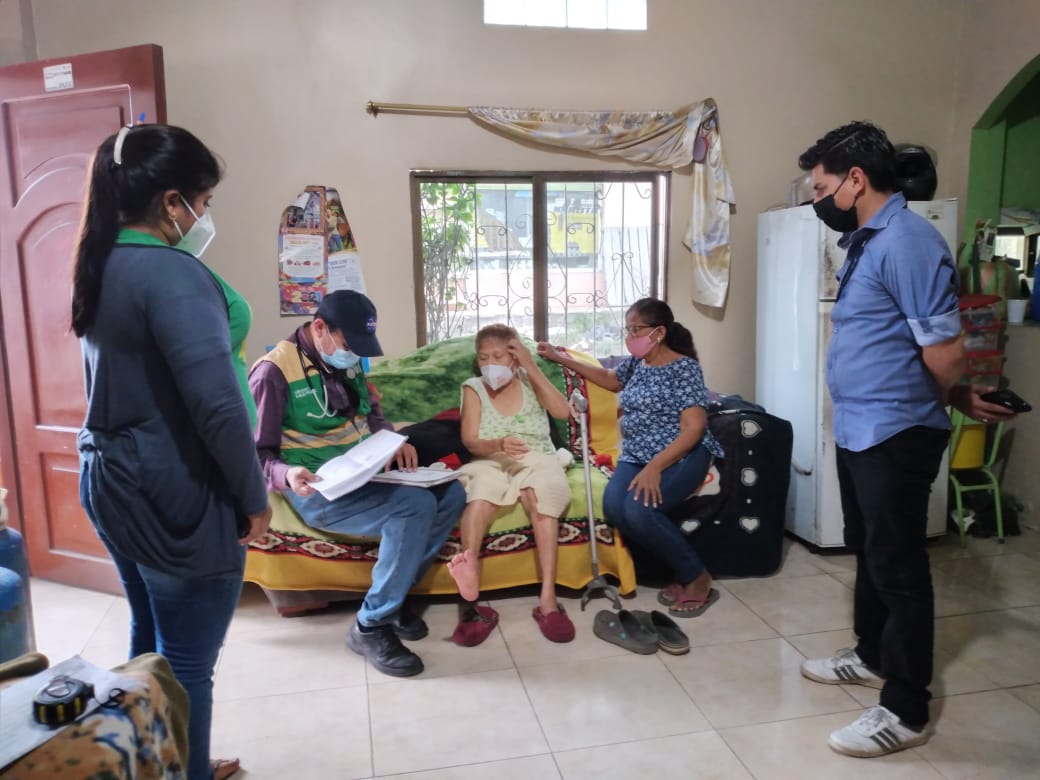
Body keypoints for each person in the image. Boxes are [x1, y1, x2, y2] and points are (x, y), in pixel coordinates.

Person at [795, 121, 1017, 758]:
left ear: (855, 180)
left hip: (896, 432)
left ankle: (906, 708)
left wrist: (945, 397)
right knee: (870, 551)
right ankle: (871, 655)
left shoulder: (910, 242)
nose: (818, 201)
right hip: (861, 428)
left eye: (821, 189)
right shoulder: (868, 240)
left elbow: (944, 350)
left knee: (899, 568)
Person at [73, 123, 271, 780]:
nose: (204, 217)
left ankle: (154, 764)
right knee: (187, 663)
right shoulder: (170, 273)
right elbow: (218, 407)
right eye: (203, 202)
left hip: (112, 480)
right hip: (172, 493)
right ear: (171, 201)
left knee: (149, 641)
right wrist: (253, 498)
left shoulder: (102, 260)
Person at [249, 290, 465, 678]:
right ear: (320, 328)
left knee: (451, 492)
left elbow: (371, 413)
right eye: (349, 345)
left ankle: (394, 597)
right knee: (413, 505)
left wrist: (392, 441)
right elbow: (256, 453)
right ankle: (371, 626)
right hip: (319, 486)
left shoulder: (345, 361)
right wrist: (287, 475)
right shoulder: (272, 373)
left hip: (365, 472)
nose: (353, 356)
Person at [538, 298, 724, 617]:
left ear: (659, 332)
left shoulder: (684, 369)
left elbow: (694, 428)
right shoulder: (639, 362)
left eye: (636, 329)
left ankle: (697, 576)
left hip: (680, 453)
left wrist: (655, 467)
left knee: (639, 511)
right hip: (637, 453)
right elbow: (611, 379)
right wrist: (560, 358)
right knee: (613, 506)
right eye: (627, 329)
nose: (630, 337)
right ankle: (677, 569)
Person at [446, 325, 576, 646]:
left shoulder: (530, 380)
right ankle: (470, 595)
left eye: (498, 356)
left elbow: (563, 412)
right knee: (480, 494)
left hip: (537, 457)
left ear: (514, 357)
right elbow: (470, 441)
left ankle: (548, 600)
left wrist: (531, 365)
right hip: (492, 458)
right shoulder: (473, 388)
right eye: (483, 358)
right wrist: (498, 444)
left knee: (542, 493)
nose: (490, 364)